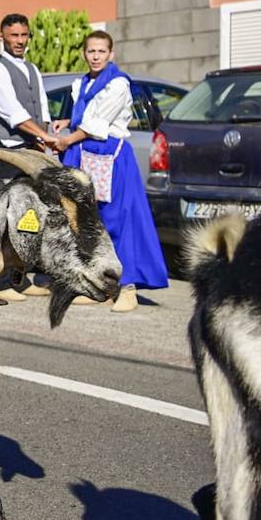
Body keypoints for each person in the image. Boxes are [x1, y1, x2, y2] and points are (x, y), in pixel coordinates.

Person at [51, 30, 168, 312]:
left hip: (110, 156)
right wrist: (67, 120)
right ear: (84, 53)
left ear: (111, 54)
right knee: (89, 220)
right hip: (83, 153)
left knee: (120, 219)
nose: (95, 56)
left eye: (101, 51)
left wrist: (67, 138)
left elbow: (97, 122)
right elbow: (86, 115)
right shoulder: (81, 83)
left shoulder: (118, 84)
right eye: (91, 51)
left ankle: (128, 287)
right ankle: (97, 285)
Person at [0, 13, 56, 300]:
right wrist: (44, 136)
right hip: (7, 153)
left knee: (28, 218)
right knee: (4, 219)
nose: (20, 41)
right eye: (14, 35)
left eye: (24, 35)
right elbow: (13, 114)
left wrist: (43, 138)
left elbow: (42, 110)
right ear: (1, 36)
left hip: (30, 151)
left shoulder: (32, 69)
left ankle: (19, 278)